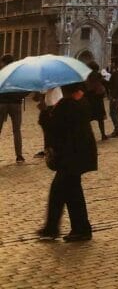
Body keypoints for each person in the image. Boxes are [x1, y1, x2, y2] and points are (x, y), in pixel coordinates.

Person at [37, 82, 97, 241]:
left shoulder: (67, 105)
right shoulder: (82, 101)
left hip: (70, 156)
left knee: (59, 191)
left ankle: (53, 229)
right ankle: (81, 228)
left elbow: (53, 127)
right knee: (72, 192)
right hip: (79, 153)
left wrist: (44, 112)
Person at [0, 53, 25, 163]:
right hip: (16, 104)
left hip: (2, 103)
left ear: (4, 62)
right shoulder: (19, 74)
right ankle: (19, 156)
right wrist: (20, 96)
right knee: (17, 130)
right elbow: (27, 87)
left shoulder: (1, 73)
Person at [84, 61, 108, 141]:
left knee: (87, 119)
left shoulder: (87, 76)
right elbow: (107, 79)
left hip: (89, 98)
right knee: (100, 119)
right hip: (98, 99)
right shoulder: (98, 75)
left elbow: (84, 87)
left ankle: (87, 136)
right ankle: (103, 135)